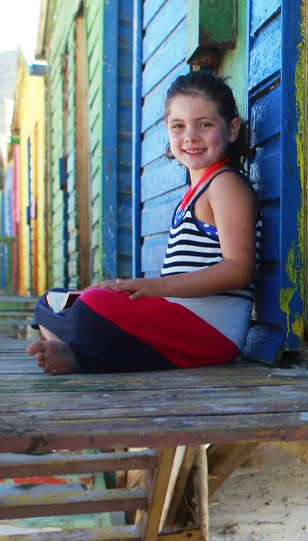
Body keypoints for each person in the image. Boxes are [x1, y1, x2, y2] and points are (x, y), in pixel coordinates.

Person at [27, 71, 259, 374]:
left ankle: (80, 353)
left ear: (231, 129)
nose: (190, 136)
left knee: (93, 307)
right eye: (179, 126)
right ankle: (79, 353)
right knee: (57, 301)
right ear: (168, 130)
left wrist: (150, 287)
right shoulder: (193, 193)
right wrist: (128, 290)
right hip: (176, 318)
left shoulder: (225, 185)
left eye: (205, 124)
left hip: (212, 329)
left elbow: (238, 269)